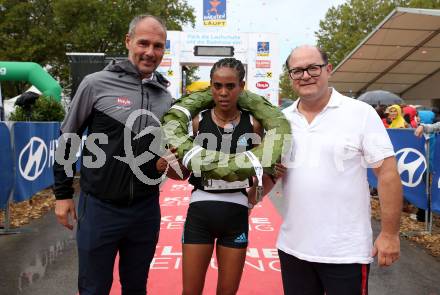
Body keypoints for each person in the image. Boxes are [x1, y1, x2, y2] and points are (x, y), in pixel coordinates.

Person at [53, 14, 179, 294]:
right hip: (100, 208)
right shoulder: (95, 83)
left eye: (158, 46)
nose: (150, 52)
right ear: (128, 41)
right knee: (94, 288)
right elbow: (68, 138)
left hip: (145, 210)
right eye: (143, 43)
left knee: (136, 288)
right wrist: (62, 194)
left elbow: (167, 152)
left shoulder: (165, 97)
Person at [275, 45, 403, 295]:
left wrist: (390, 234)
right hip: (293, 248)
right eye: (297, 70)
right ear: (290, 77)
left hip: (345, 253)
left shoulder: (360, 113)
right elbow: (273, 174)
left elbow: (387, 174)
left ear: (328, 70)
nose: (305, 75)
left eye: (313, 68)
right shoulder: (282, 120)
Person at [179, 58, 283, 295]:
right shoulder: (197, 121)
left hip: (236, 215)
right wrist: (167, 164)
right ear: (211, 87)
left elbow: (263, 173)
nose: (223, 92)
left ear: (241, 86)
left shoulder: (255, 123)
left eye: (230, 86)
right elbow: (182, 172)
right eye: (217, 86)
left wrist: (262, 184)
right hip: (199, 213)